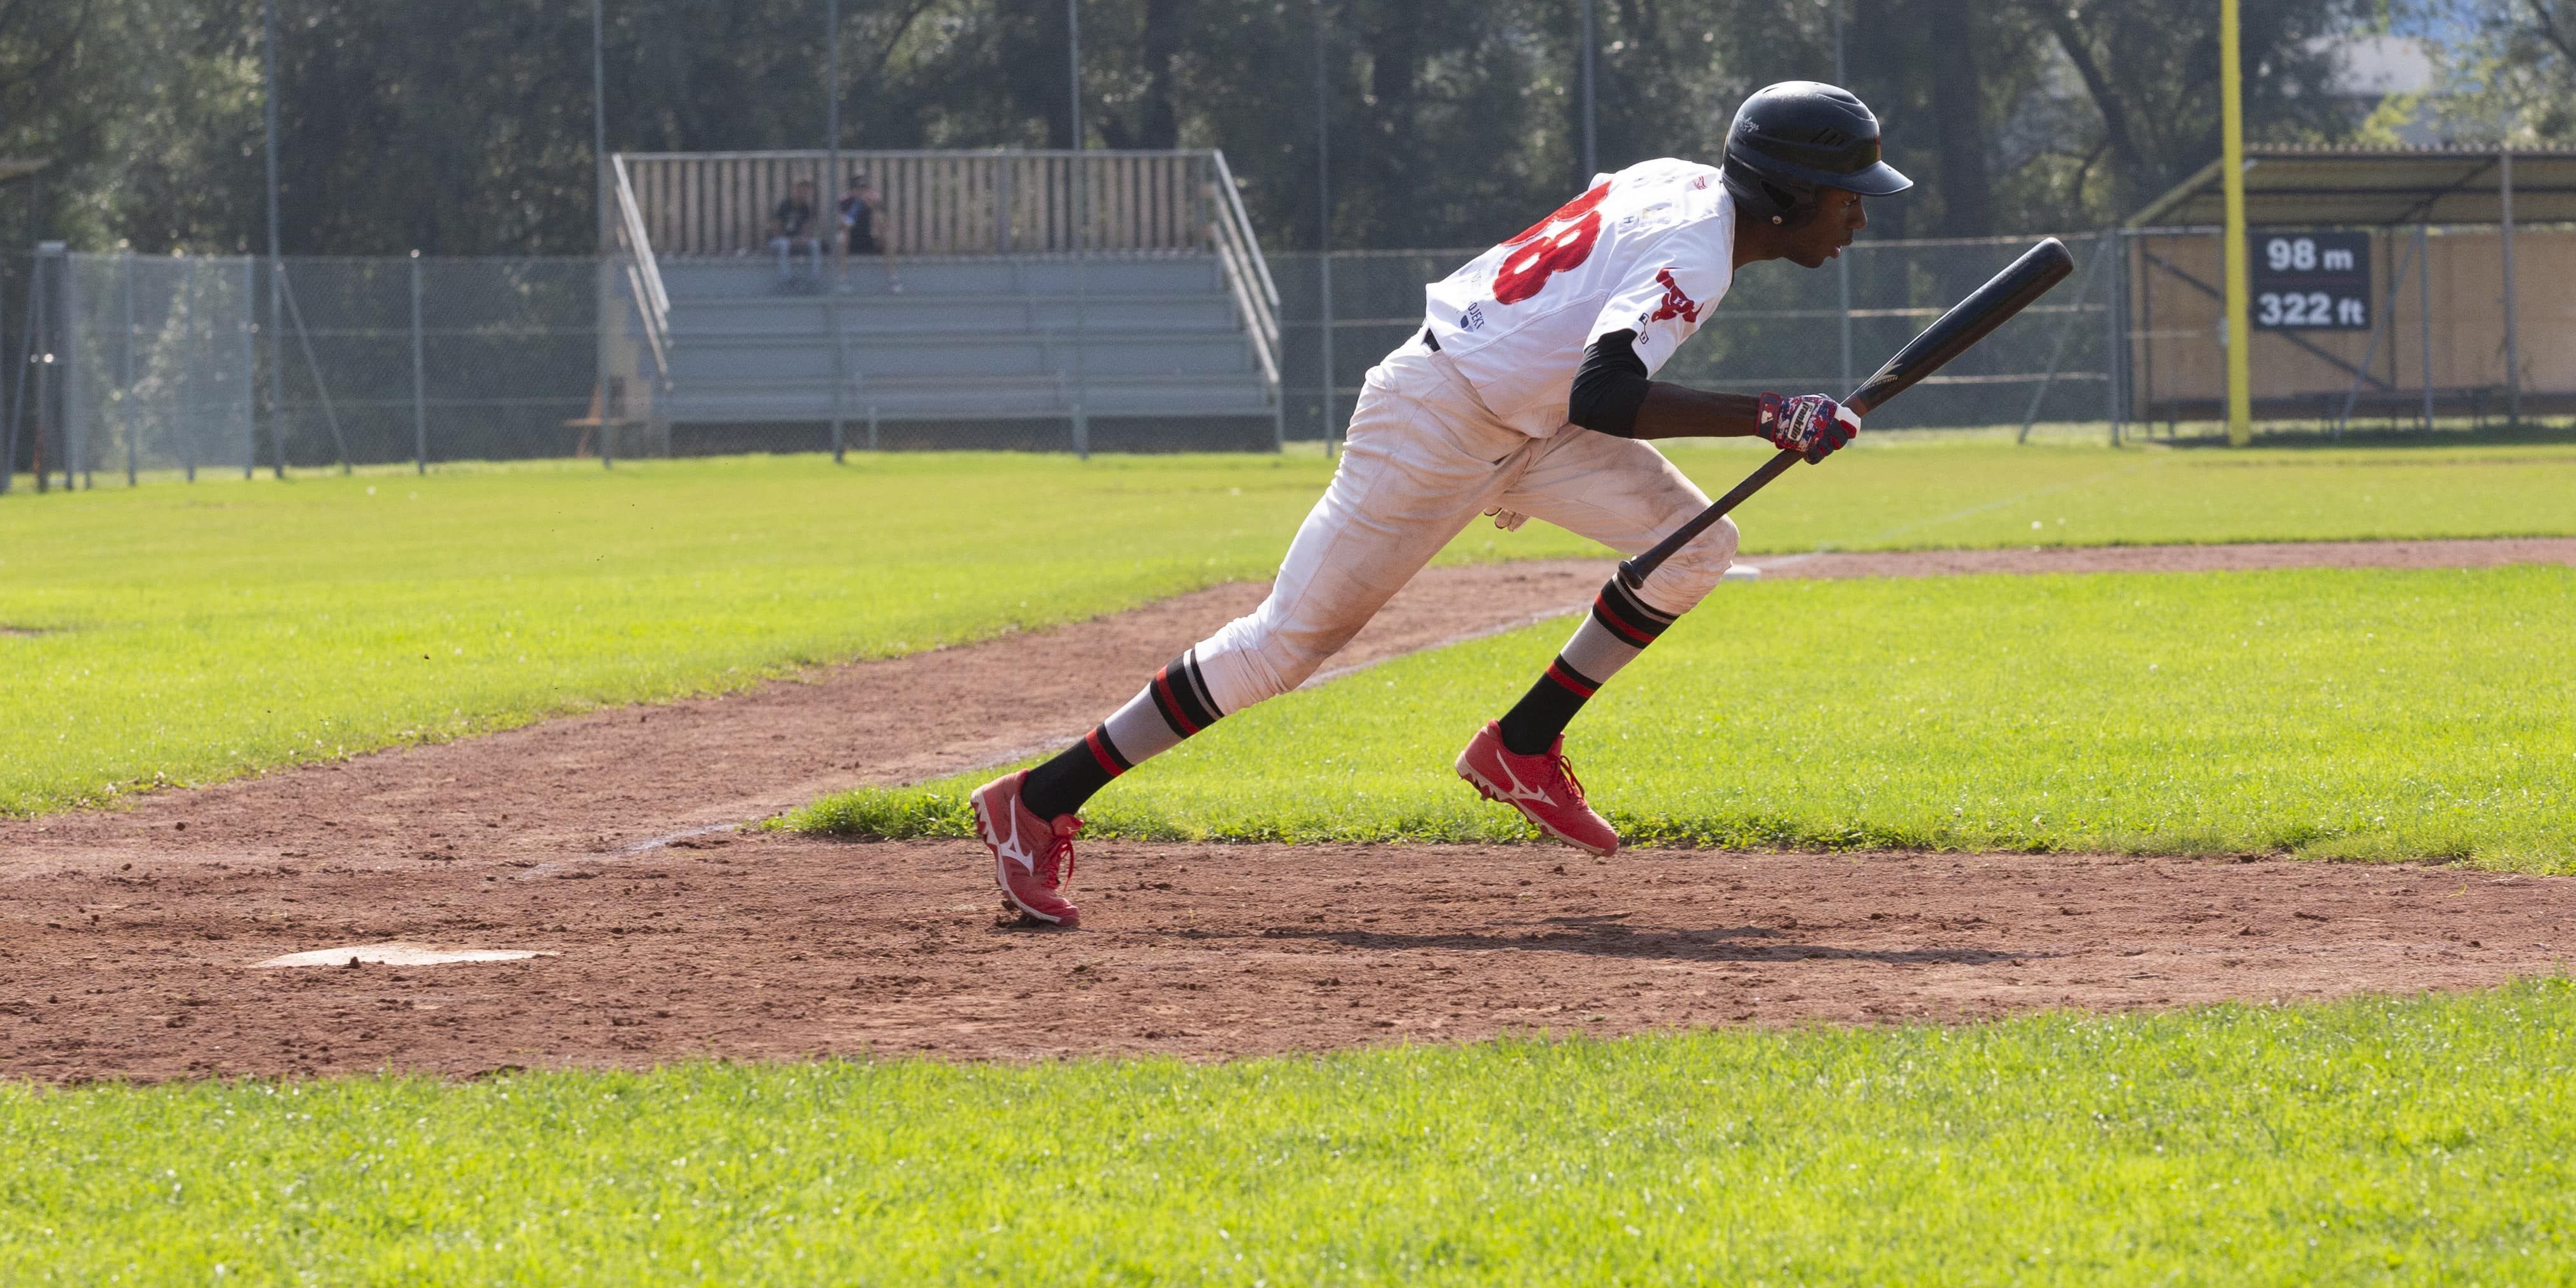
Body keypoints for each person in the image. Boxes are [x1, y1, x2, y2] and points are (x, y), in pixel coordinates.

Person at [969, 81, 1909, 927]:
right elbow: (1605, 395)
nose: (1859, 219)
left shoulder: (1678, 181)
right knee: (1284, 645)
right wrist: (1770, 414)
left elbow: (1582, 313)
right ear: (1785, 197)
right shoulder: (1699, 252)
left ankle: (1522, 746)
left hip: (1519, 415)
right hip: (1440, 418)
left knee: (1695, 546)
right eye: (1848, 197)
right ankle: (1041, 799)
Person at [837, 171, 899, 292]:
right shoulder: (845, 202)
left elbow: (885, 226)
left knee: (888, 237)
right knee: (843, 237)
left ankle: (893, 278)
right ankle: (842, 279)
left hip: (871, 239)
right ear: (853, 189)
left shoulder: (875, 201)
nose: (864, 191)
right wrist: (857, 207)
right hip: (852, 242)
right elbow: (843, 226)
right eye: (860, 188)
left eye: (866, 187)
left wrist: (874, 210)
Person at [768, 176, 823, 290]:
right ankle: (786, 280)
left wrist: (803, 239)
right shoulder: (784, 205)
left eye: (806, 190)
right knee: (783, 244)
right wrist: (790, 240)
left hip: (796, 243)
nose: (804, 193)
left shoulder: (806, 208)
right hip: (778, 243)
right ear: (794, 190)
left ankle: (814, 280)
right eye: (801, 189)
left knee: (814, 244)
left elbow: (806, 230)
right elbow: (776, 231)